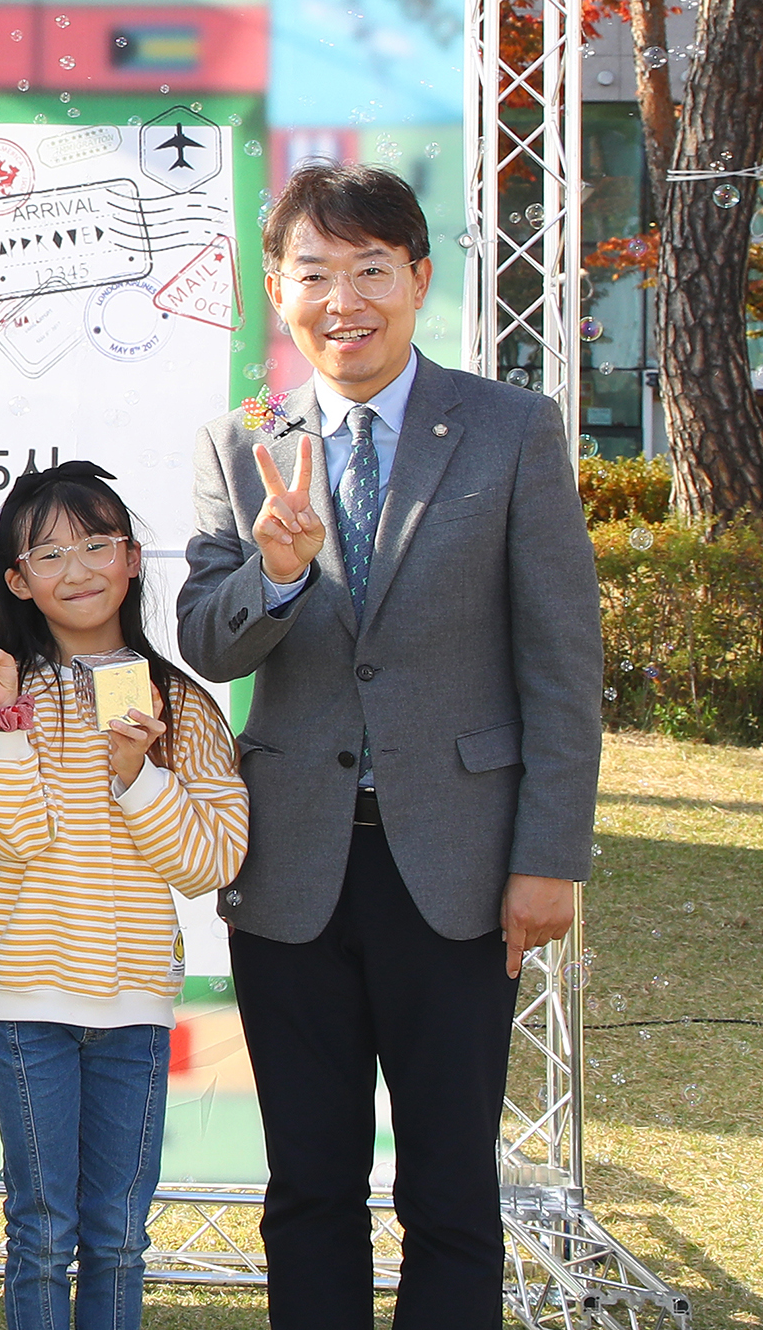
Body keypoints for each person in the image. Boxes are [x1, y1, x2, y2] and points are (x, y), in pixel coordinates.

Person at [178, 163, 601, 1327]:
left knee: (451, 1190)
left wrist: (549, 856)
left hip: (459, 868)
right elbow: (207, 641)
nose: (343, 300)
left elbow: (562, 663)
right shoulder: (240, 443)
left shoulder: (511, 429)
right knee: (308, 1185)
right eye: (314, 273)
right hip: (293, 871)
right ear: (279, 290)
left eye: (370, 269)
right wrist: (275, 571)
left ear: (418, 278)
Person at [0, 461, 248, 1330]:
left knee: (118, 1235)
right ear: (17, 580)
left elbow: (210, 862)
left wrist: (138, 775)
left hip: (135, 1006)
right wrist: (0, 719)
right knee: (41, 1229)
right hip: (23, 1002)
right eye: (49, 553)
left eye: (97, 545)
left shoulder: (182, 703)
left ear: (133, 559)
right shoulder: (2, 696)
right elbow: (12, 839)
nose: (76, 570)